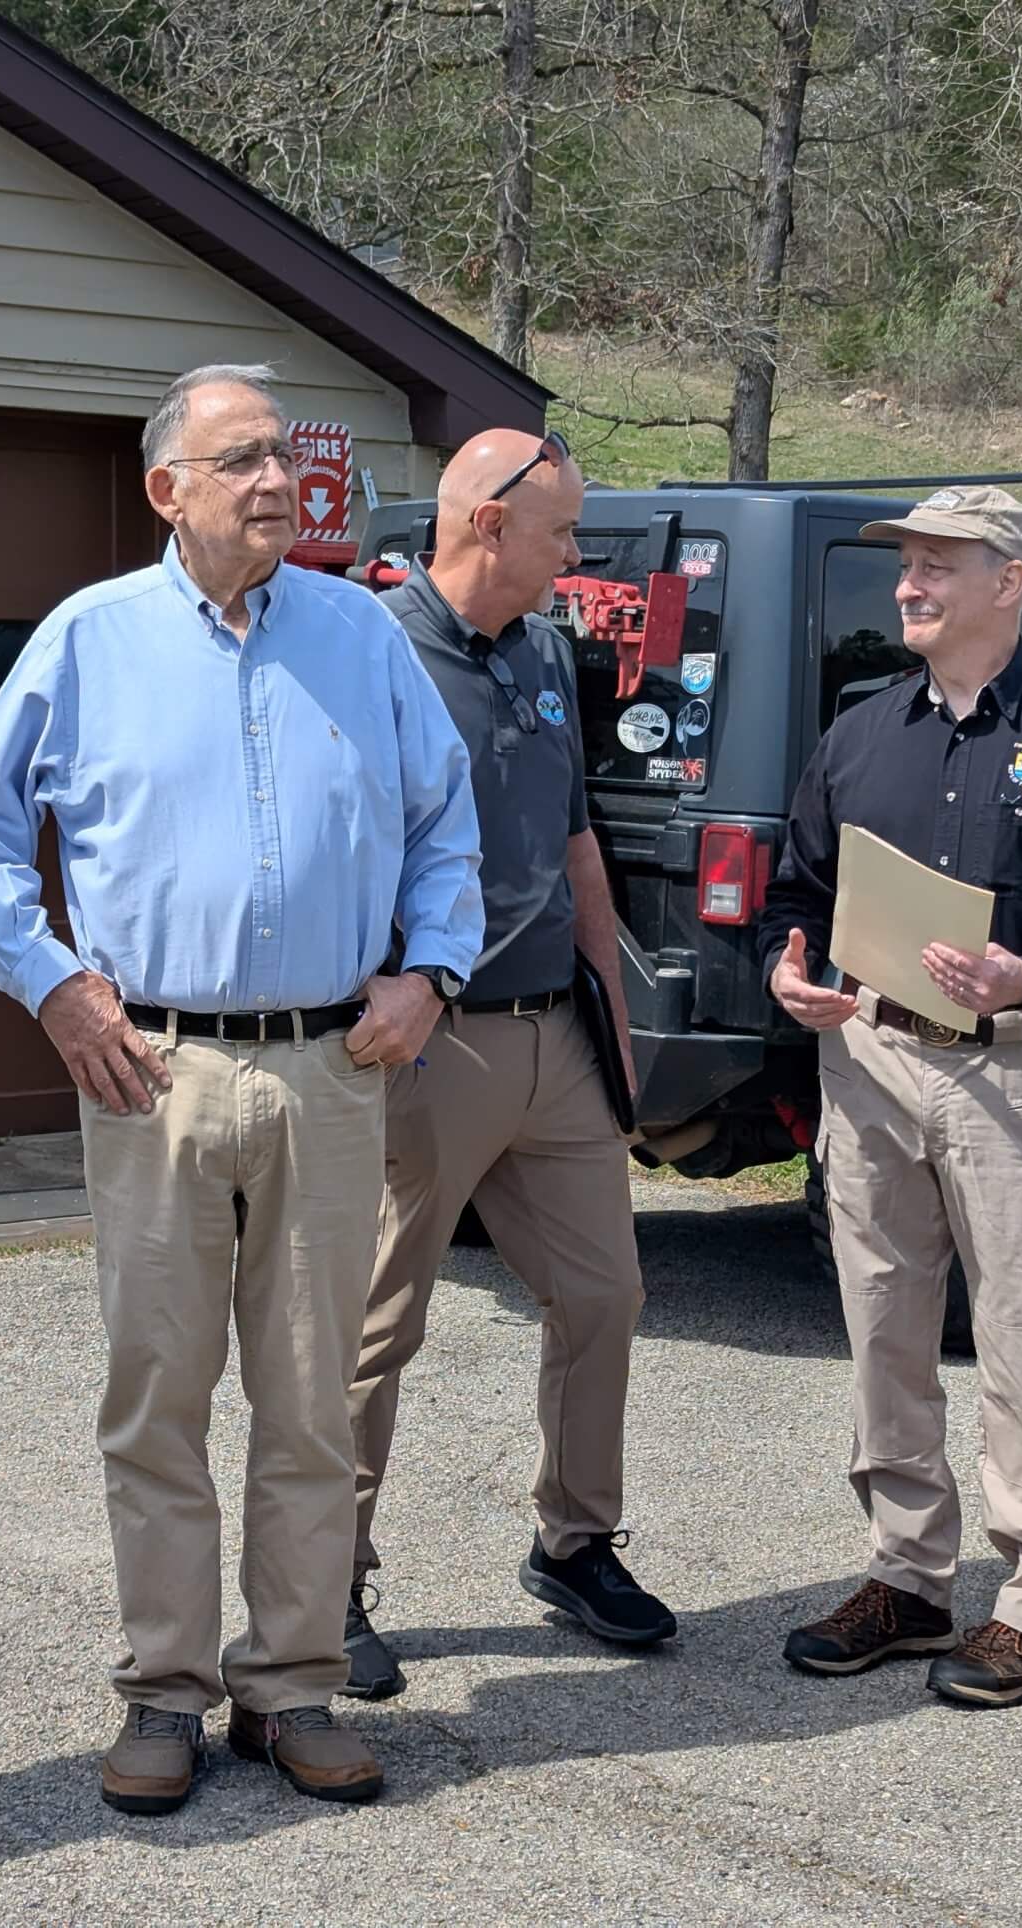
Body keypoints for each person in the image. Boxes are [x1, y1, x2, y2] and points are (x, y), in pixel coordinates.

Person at [0, 363, 481, 1817]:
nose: (276, 481)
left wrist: (431, 970)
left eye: (285, 458)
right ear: (166, 488)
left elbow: (447, 829)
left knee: (310, 1405)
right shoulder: (88, 639)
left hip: (331, 1069)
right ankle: (163, 1694)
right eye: (237, 460)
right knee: (159, 1402)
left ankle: (291, 1684)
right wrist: (54, 985)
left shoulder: (361, 634)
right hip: (151, 1072)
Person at [760, 486, 1022, 1706]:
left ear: (1009, 581)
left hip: (1018, 1065)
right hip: (873, 1065)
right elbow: (798, 890)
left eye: (936, 565)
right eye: (904, 565)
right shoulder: (857, 734)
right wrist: (790, 970)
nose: (907, 584)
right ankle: (906, 1574)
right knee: (887, 1328)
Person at [341, 429, 673, 1699]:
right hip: (428, 1042)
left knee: (603, 1296)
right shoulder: (374, 653)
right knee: (375, 1327)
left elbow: (575, 832)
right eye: (560, 531)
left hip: (553, 1033)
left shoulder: (543, 648)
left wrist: (611, 994)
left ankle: (574, 1542)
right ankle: (333, 1576)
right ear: (487, 523)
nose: (576, 553)